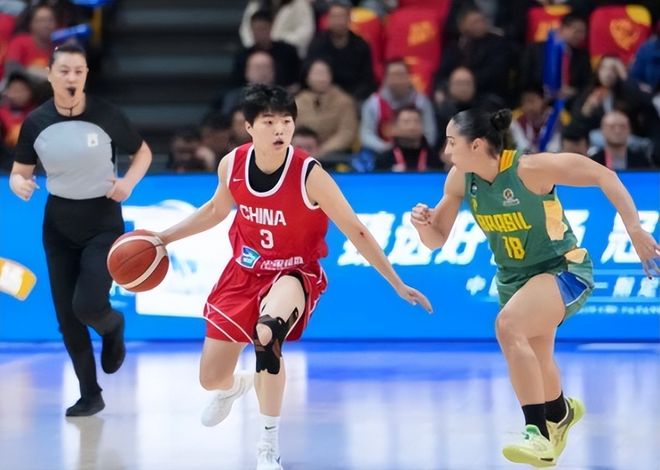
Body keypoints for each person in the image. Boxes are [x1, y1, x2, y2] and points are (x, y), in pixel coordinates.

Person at [151, 84, 432, 470]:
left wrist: (395, 281)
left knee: (267, 335)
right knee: (211, 378)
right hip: (244, 271)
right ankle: (236, 386)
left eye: (286, 121)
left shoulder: (308, 174)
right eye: (269, 122)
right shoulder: (232, 164)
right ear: (249, 126)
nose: (280, 129)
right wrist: (164, 238)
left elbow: (355, 229)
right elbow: (216, 210)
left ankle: (268, 446)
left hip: (294, 271)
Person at [411, 108, 659, 467]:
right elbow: (436, 240)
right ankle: (560, 413)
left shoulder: (530, 168)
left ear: (476, 144)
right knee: (538, 357)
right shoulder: (460, 179)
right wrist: (423, 226)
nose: (446, 151)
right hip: (514, 278)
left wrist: (634, 229)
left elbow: (603, 175)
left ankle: (537, 434)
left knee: (508, 326)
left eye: (452, 142)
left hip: (563, 268)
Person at [8, 44, 153, 417]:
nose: (71, 77)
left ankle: (112, 325)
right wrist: (19, 184)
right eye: (64, 71)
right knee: (67, 318)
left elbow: (143, 152)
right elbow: (19, 171)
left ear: (86, 75)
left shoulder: (106, 114)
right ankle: (90, 394)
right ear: (50, 75)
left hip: (102, 220)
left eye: (78, 71)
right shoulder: (36, 122)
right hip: (58, 222)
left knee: (87, 305)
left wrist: (128, 183)